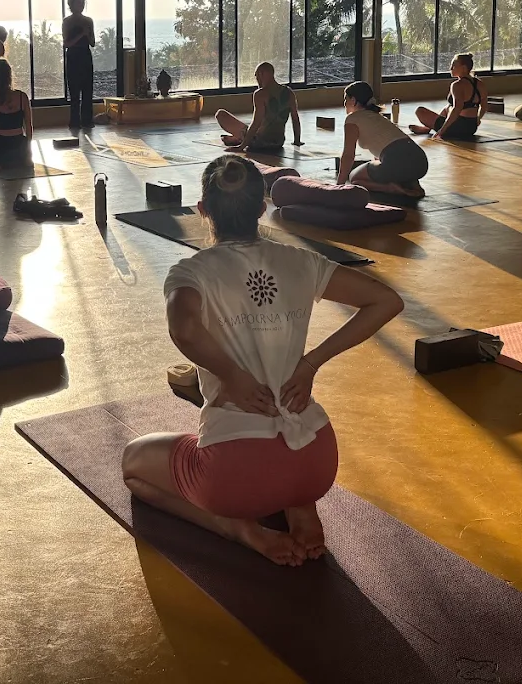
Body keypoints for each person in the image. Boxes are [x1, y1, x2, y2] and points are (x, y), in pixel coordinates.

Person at [121, 155, 404, 566]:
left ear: (203, 210)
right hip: (316, 461)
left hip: (235, 478)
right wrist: (310, 364)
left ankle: (238, 528)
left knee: (133, 463)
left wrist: (231, 375)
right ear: (261, 207)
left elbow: (184, 330)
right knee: (284, 457)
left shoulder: (191, 271)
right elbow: (386, 301)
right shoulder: (301, 261)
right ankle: (301, 507)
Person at [339, 81, 428, 198]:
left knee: (354, 178)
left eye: (345, 99)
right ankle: (413, 184)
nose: (344, 103)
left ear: (353, 100)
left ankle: (391, 188)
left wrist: (339, 185)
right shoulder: (378, 117)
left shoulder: (352, 119)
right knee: (396, 163)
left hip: (396, 163)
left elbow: (348, 155)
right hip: (421, 164)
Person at [216, 63, 302, 152]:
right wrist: (297, 141)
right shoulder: (289, 92)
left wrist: (241, 147)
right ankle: (236, 138)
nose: (256, 80)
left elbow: (256, 123)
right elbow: (295, 119)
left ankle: (240, 139)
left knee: (220, 114)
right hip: (278, 142)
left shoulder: (260, 94)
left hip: (259, 142)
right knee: (250, 126)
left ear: (262, 74)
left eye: (256, 76)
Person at [410, 53, 483, 140]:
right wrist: (477, 119)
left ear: (463, 68)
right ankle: (427, 128)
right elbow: (484, 105)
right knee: (447, 107)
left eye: (453, 66)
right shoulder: (479, 84)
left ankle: (430, 128)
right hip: (472, 128)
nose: (450, 68)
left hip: (457, 127)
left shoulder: (457, 85)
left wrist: (442, 130)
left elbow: (457, 109)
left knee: (420, 111)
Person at [62, 0, 96, 133]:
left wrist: (87, 35)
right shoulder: (67, 22)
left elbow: (93, 43)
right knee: (74, 92)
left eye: (82, 3)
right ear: (71, 5)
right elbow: (66, 44)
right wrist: (81, 34)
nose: (81, 5)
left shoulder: (88, 21)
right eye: (78, 2)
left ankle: (87, 120)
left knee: (88, 90)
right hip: (73, 56)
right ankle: (75, 122)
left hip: (85, 55)